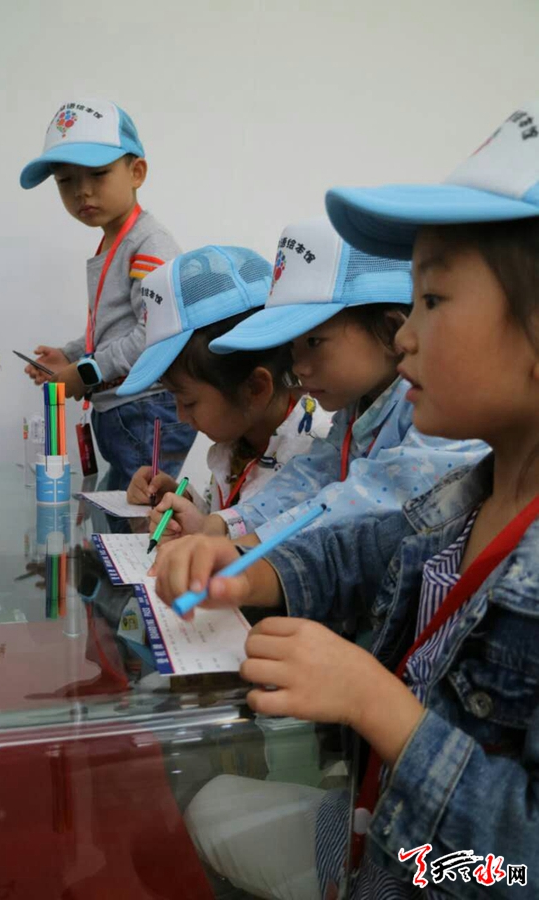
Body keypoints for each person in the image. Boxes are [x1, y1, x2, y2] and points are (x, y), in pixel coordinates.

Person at [152, 103, 539, 899]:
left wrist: (377, 705)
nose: (405, 335)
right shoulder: (471, 496)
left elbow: (522, 863)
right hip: (381, 837)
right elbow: (363, 547)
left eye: (432, 300)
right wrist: (251, 569)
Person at [149, 216, 485, 546]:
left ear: (390, 330)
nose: (299, 367)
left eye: (314, 342)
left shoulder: (439, 409)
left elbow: (369, 498)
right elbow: (310, 478)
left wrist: (240, 549)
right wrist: (219, 526)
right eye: (293, 347)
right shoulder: (356, 410)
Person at [20, 98, 196, 488]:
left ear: (137, 172)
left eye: (98, 174)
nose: (82, 192)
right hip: (129, 408)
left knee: (138, 511)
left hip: (147, 408)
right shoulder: (116, 242)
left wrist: (87, 372)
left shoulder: (149, 245)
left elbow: (155, 333)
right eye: (65, 181)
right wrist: (71, 353)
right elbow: (118, 325)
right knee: (118, 505)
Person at [119, 244, 332, 525]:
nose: (181, 415)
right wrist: (184, 502)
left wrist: (207, 531)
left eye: (189, 401)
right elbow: (227, 517)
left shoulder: (315, 456)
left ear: (255, 389)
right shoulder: (239, 441)